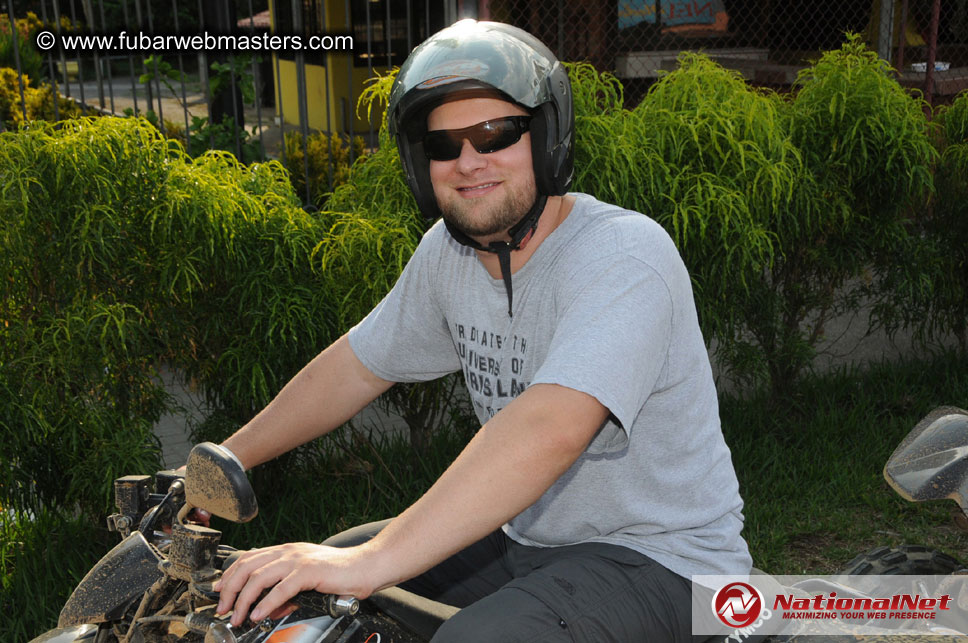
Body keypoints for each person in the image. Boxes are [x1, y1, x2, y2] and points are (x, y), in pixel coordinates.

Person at [212, 19, 751, 642]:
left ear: (547, 138)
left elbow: (549, 428)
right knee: (305, 596)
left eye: (496, 134)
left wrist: (368, 564)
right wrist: (225, 459)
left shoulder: (624, 255)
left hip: (671, 566)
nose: (468, 162)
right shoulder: (449, 253)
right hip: (526, 539)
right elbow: (357, 365)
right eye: (443, 145)